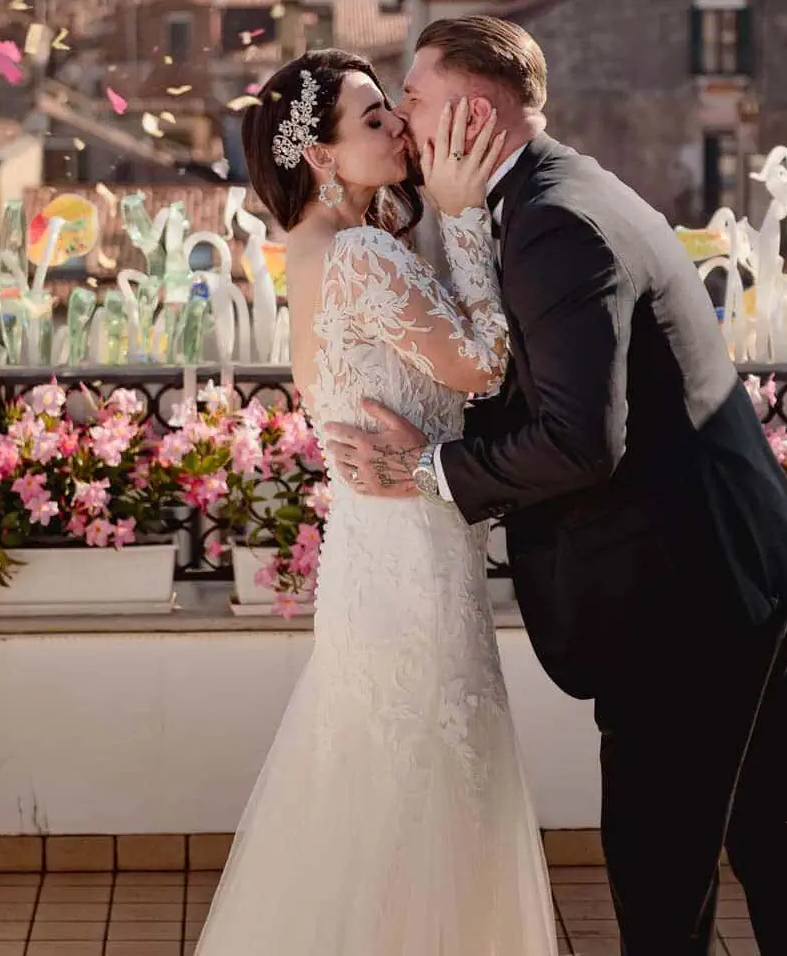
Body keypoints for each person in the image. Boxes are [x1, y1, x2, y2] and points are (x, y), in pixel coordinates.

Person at [323, 16, 787, 956]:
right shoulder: (562, 185)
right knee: (772, 831)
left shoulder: (555, 222)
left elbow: (579, 441)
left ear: (473, 114)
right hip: (743, 556)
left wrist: (431, 469)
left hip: (679, 593)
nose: (403, 116)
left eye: (416, 97)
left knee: (660, 867)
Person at [194, 48, 557, 955]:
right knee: (423, 783)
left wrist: (438, 211)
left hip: (377, 546)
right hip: (410, 559)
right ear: (320, 157)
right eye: (372, 120)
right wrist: (468, 221)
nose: (398, 124)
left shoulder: (328, 245)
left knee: (384, 779)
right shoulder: (357, 254)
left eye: (390, 108)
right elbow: (480, 365)